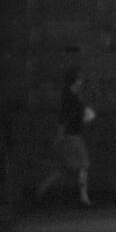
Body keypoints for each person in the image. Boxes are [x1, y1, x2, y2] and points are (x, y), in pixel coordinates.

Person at [37, 69, 94, 206]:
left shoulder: (69, 97)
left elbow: (64, 120)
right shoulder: (72, 99)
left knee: (63, 169)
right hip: (73, 137)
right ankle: (83, 197)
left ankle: (40, 191)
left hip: (69, 136)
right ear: (74, 82)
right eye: (79, 80)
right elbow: (66, 120)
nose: (81, 82)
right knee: (83, 165)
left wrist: (59, 138)